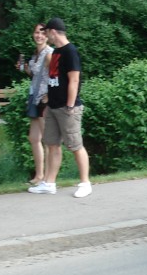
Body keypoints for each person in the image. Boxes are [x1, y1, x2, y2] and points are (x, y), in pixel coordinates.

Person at [28, 17, 91, 197]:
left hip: (67, 107)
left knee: (75, 145)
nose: (45, 35)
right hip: (53, 107)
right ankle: (49, 183)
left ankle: (85, 183)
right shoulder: (56, 53)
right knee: (52, 144)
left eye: (47, 32)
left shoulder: (70, 51)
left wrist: (70, 105)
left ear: (53, 32)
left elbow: (74, 79)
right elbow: (53, 80)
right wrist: (49, 103)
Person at [16, 23, 53, 185]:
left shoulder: (49, 54)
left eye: (42, 33)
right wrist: (24, 68)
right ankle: (39, 175)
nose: (39, 35)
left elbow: (56, 76)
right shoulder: (36, 54)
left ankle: (48, 178)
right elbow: (36, 75)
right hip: (34, 97)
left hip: (44, 100)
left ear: (48, 36)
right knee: (34, 138)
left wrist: (49, 96)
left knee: (47, 139)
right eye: (37, 32)